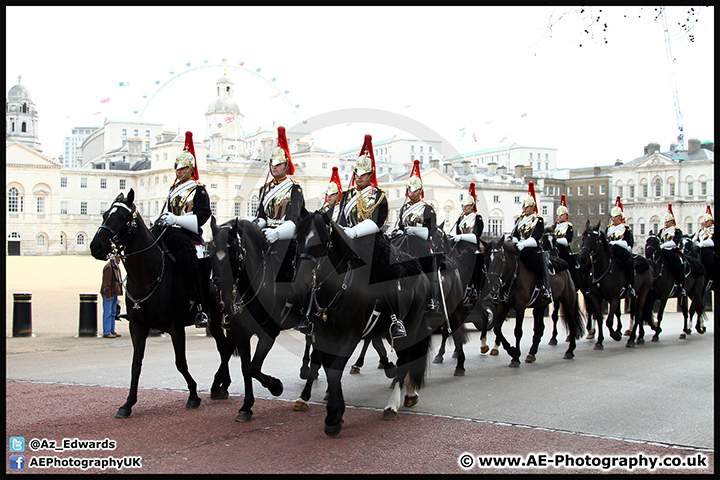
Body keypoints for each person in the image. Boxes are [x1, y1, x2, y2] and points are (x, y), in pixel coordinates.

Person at [336, 134, 406, 339]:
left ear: (370, 174)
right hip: (347, 240)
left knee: (384, 273)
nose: (359, 176)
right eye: (357, 173)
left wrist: (355, 231)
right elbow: (340, 218)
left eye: (363, 173)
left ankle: (394, 319)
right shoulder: (347, 196)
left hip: (371, 242)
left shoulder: (379, 195)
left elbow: (377, 222)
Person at [155, 131, 212, 327]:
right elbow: (169, 212)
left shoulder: (199, 189)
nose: (179, 172)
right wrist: (163, 219)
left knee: (194, 264)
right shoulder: (173, 190)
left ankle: (200, 307)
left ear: (190, 169)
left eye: (182, 169)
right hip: (170, 233)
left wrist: (176, 219)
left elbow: (202, 217)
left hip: (190, 236)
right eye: (177, 169)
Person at [255, 126, 307, 332]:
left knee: (292, 268)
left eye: (278, 164)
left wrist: (276, 233)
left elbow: (294, 219)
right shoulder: (264, 189)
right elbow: (261, 216)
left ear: (286, 165)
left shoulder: (294, 188)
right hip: (265, 235)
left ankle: (300, 312)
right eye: (272, 164)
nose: (274, 168)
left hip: (286, 237)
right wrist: (254, 227)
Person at [396, 159, 439, 311]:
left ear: (420, 191)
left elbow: (430, 231)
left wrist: (414, 230)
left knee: (428, 262)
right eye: (410, 190)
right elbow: (401, 226)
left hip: (421, 243)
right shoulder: (403, 208)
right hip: (405, 242)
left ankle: (432, 298)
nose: (412, 193)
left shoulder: (427, 209)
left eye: (415, 190)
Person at [510, 181, 551, 301]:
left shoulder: (538, 220)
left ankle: (544, 287)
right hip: (519, 247)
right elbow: (516, 234)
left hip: (531, 248)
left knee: (538, 264)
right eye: (523, 206)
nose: (524, 208)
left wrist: (523, 244)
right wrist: (514, 240)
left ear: (532, 206)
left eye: (527, 206)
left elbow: (536, 237)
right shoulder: (519, 219)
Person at [451, 182, 484, 299]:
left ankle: (474, 286)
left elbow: (476, 235)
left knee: (475, 258)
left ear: (472, 206)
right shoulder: (461, 218)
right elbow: (457, 232)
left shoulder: (477, 218)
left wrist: (460, 237)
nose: (464, 208)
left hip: (472, 245)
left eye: (467, 206)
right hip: (461, 244)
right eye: (463, 206)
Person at [606, 196, 635, 299]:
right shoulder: (609, 228)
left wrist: (615, 243)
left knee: (628, 264)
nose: (614, 219)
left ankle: (630, 286)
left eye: (616, 217)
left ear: (620, 216)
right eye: (612, 217)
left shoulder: (625, 228)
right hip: (610, 251)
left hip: (621, 251)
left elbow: (629, 243)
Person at [659, 203, 686, 297]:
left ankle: (680, 285)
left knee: (678, 265)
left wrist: (663, 246)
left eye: (668, 221)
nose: (666, 223)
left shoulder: (676, 230)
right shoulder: (662, 231)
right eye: (665, 221)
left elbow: (675, 242)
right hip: (662, 252)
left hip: (672, 251)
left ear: (672, 221)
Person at [100, 255, 123, 338]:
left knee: (113, 313)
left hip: (114, 293)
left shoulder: (115, 266)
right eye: (119, 258)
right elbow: (106, 283)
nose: (120, 259)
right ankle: (106, 331)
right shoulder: (109, 267)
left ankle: (112, 330)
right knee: (107, 313)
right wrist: (107, 294)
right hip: (109, 294)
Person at [549, 194, 574, 268]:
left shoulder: (568, 226)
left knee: (569, 261)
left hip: (563, 249)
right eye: (558, 215)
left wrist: (555, 240)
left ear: (566, 215)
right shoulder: (554, 226)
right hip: (554, 248)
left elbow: (567, 240)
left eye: (561, 215)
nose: (559, 217)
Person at [693, 205, 715, 283]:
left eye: (706, 221)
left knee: (710, 260)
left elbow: (712, 242)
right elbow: (695, 239)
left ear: (710, 221)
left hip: (709, 249)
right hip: (700, 250)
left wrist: (701, 244)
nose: (705, 223)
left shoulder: (713, 229)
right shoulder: (701, 230)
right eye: (704, 221)